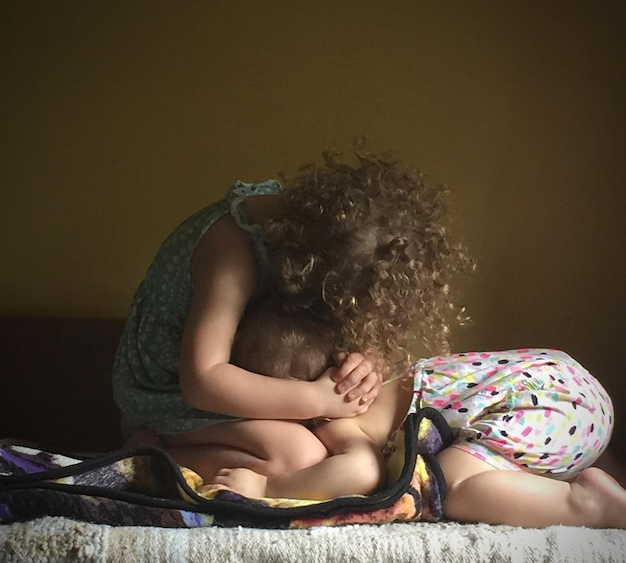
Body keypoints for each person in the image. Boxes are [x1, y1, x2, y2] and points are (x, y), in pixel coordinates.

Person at [113, 145, 474, 483]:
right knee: (302, 458)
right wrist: (317, 400)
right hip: (169, 388)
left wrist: (368, 361)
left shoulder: (318, 241)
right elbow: (202, 380)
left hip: (253, 365)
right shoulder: (230, 251)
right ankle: (152, 456)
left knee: (340, 440)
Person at [215, 303, 626, 528]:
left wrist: (266, 484)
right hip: (563, 379)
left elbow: (359, 472)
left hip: (541, 407)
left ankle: (589, 507)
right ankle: (586, 462)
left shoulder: (337, 415)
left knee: (454, 486)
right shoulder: (376, 367)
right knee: (479, 451)